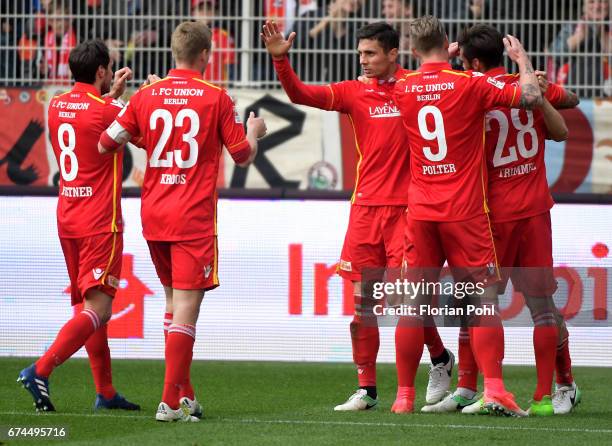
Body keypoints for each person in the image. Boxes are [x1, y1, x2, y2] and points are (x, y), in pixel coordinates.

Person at [261, 20, 455, 413]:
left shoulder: (415, 87)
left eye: (370, 54)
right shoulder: (354, 92)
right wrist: (282, 61)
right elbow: (300, 93)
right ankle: (367, 389)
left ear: (392, 55)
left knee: (408, 304)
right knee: (361, 306)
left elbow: (448, 86)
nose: (363, 61)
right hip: (365, 209)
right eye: (360, 53)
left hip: (408, 211)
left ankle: (435, 363)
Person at [98, 20, 266, 422]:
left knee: (174, 304)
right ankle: (169, 403)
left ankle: (184, 394)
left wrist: (145, 125)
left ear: (174, 52)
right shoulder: (216, 98)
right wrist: (256, 132)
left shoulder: (146, 96)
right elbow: (242, 155)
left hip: (154, 213)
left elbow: (106, 143)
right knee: (187, 309)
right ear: (206, 55)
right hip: (192, 217)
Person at [422, 24, 581, 416]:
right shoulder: (522, 84)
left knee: (477, 302)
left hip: (492, 213)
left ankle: (476, 388)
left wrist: (445, 57)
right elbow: (572, 100)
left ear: (472, 62)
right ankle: (548, 392)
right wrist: (530, 72)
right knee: (538, 306)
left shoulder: (468, 90)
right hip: (532, 210)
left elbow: (428, 85)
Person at [391, 15, 543, 416]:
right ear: (447, 41)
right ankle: (495, 390)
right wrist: (523, 63)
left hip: (421, 210)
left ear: (411, 50)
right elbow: (529, 98)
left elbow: (420, 74)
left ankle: (404, 397)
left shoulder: (403, 86)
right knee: (482, 301)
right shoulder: (470, 84)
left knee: (414, 304)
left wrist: (438, 55)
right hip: (464, 211)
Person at [17, 39, 140, 413]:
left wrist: (112, 99)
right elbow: (142, 136)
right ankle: (40, 370)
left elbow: (89, 118)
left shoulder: (56, 104)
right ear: (102, 71)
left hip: (68, 216)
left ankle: (105, 392)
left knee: (89, 308)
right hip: (99, 220)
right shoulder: (107, 110)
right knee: (99, 309)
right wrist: (130, 100)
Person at [549, 0, 610, 97]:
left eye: (602, 2)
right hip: (571, 93)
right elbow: (554, 55)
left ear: (609, 5)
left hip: (606, 95)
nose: (597, 6)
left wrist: (604, 36)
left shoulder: (610, 28)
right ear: (584, 6)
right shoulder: (572, 27)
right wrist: (578, 37)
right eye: (591, 2)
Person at [192, 0, 236, 84]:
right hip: (195, 88)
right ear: (193, 12)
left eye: (208, 8)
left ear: (215, 12)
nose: (205, 12)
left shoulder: (222, 35)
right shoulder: (187, 36)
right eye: (201, 9)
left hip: (217, 87)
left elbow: (230, 65)